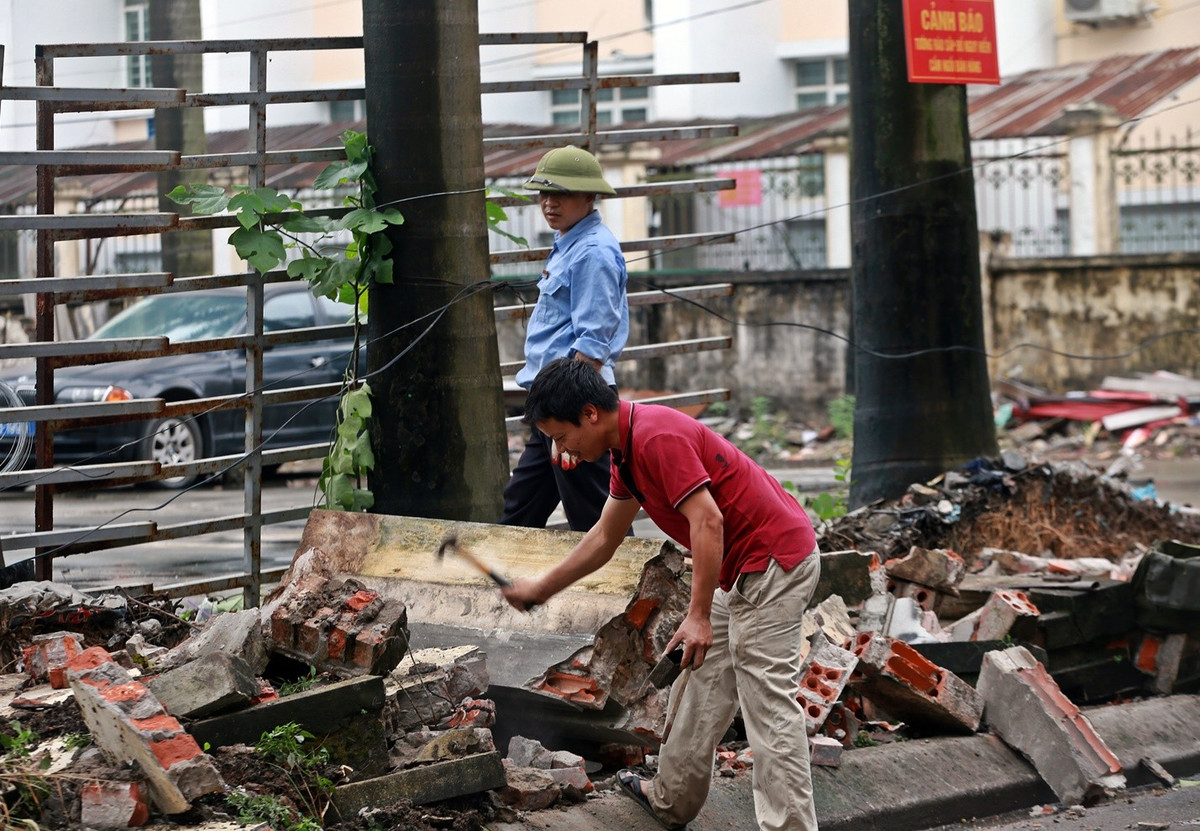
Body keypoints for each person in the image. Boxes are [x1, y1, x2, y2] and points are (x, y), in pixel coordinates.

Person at [501, 358, 822, 831]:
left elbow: (707, 520)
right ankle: (670, 801)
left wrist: (699, 616)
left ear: (590, 413)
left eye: (561, 436)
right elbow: (604, 537)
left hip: (773, 564)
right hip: (738, 570)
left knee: (767, 707)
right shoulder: (625, 453)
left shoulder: (656, 437)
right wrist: (540, 589)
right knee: (698, 681)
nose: (560, 450)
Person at [499, 145, 630, 533]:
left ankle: (636, 591)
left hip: (575, 406)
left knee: (596, 519)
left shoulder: (592, 252)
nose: (549, 203)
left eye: (562, 193)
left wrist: (572, 427)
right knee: (518, 513)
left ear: (590, 197)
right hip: (552, 405)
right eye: (543, 193)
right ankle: (504, 591)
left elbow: (592, 344)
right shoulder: (568, 243)